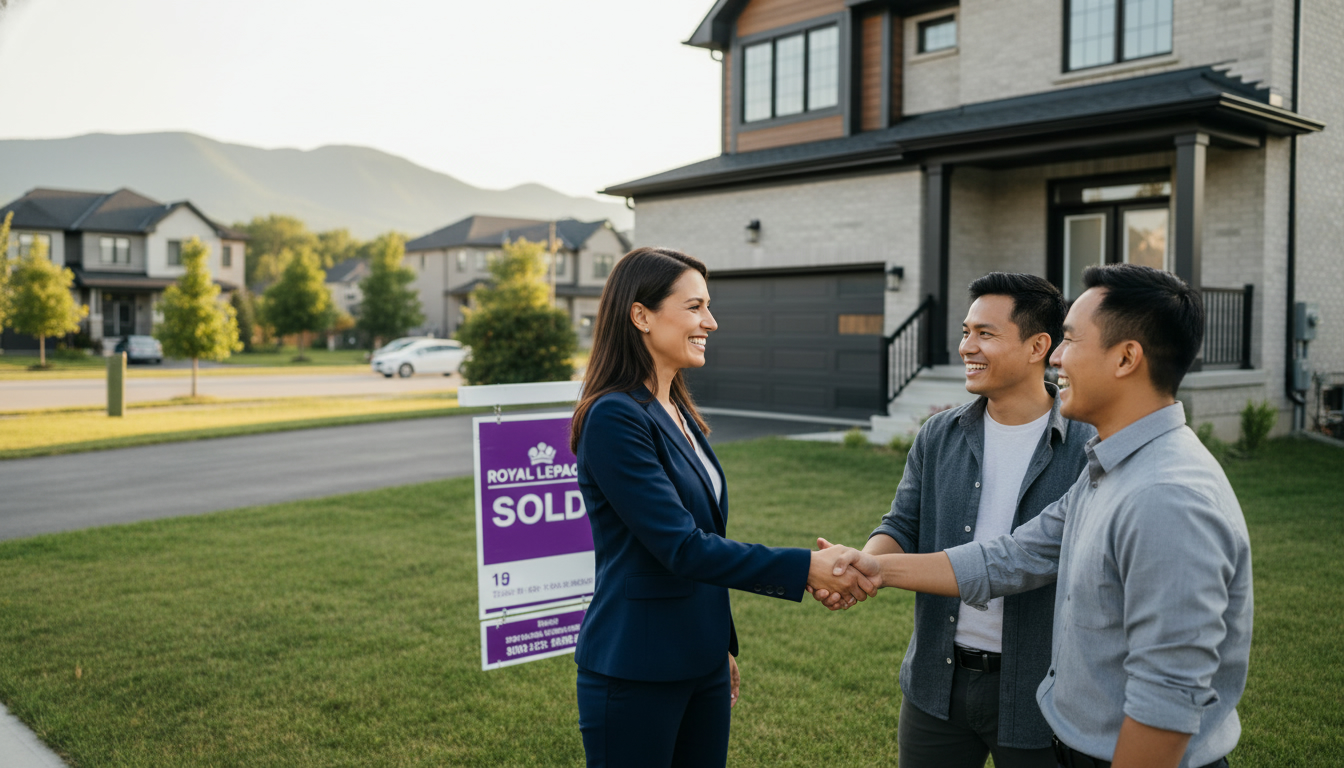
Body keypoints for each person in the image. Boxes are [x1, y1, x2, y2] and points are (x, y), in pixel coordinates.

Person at [829, 264, 1251, 768]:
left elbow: (1167, 697)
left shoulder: (1166, 495)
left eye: (1070, 341)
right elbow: (1011, 557)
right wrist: (877, 567)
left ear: (1126, 358)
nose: (1058, 357)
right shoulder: (1111, 467)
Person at [569, 246, 875, 768]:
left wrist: (718, 646)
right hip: (637, 666)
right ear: (640, 315)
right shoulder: (614, 418)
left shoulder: (677, 408)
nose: (710, 321)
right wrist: (805, 567)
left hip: (701, 660)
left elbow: (703, 533)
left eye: (707, 306)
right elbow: (682, 548)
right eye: (694, 307)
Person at [816, 272, 1094, 767]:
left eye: (985, 334)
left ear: (1038, 347)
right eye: (966, 332)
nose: (968, 346)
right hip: (936, 684)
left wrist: (872, 572)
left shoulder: (1086, 446)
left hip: (1042, 691)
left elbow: (1027, 559)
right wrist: (859, 566)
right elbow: (902, 523)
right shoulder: (939, 434)